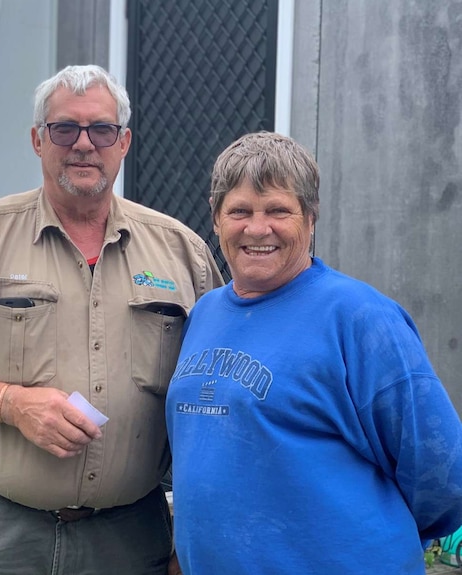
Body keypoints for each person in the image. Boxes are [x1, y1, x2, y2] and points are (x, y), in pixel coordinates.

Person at [0, 64, 223, 575]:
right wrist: (11, 404)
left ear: (124, 141)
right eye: (65, 128)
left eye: (101, 129)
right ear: (38, 140)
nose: (83, 144)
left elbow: (214, 397)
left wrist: (193, 532)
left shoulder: (182, 252)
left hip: (129, 537)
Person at [165, 131, 462, 574]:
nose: (257, 228)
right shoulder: (205, 313)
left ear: (310, 217)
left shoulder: (361, 318)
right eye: (240, 211)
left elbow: (441, 474)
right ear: (215, 218)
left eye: (278, 211)